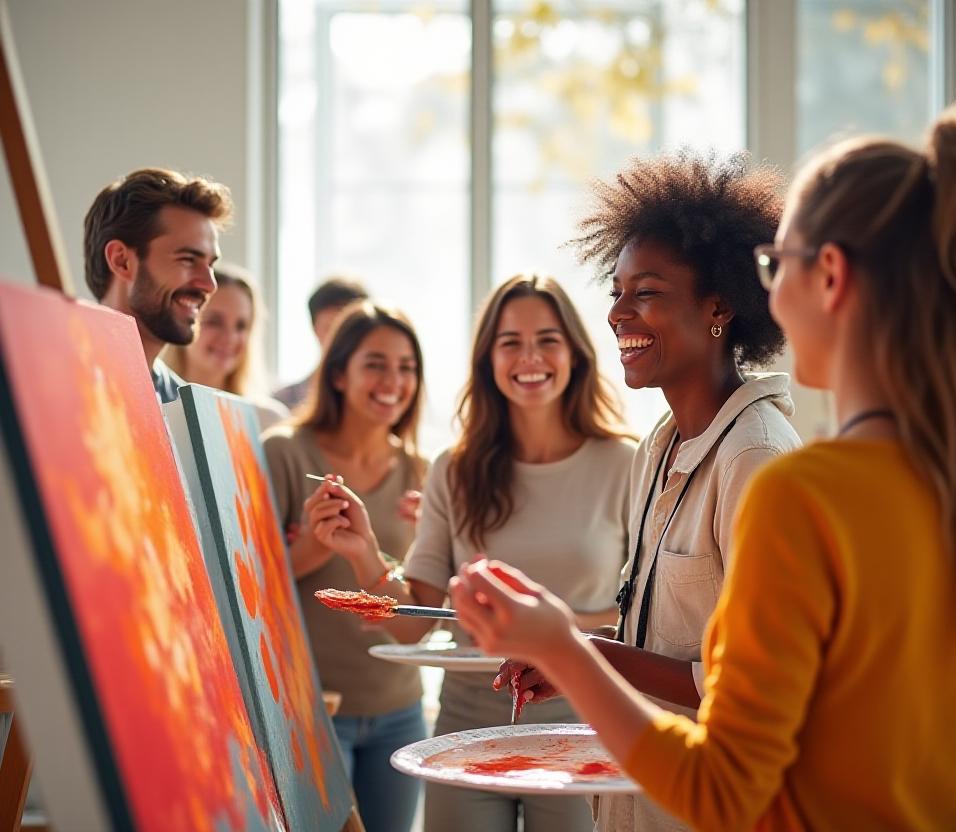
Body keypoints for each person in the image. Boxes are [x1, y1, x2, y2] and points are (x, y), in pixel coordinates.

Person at [450, 107, 956, 831]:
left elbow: (723, 790)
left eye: (774, 265)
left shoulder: (799, 491)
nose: (770, 292)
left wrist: (559, 644)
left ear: (831, 276)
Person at [496, 151, 800, 831]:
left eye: (648, 292)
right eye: (617, 290)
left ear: (720, 304)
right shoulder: (659, 445)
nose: (617, 314)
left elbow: (745, 685)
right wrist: (578, 656)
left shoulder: (757, 460)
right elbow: (668, 635)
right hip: (638, 801)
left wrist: (580, 653)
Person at [305, 274, 637, 832]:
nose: (529, 357)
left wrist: (549, 631)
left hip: (582, 722)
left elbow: (640, 613)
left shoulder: (627, 463)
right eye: (510, 342)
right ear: (488, 359)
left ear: (576, 354)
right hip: (466, 730)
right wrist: (364, 552)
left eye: (547, 339)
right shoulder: (453, 469)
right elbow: (415, 624)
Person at [262, 301, 427, 832]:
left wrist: (408, 544)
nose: (393, 381)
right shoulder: (285, 453)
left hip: (398, 706)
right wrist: (315, 545)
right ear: (337, 373)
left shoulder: (420, 471)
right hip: (308, 708)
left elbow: (418, 603)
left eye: (406, 367)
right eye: (375, 363)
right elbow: (249, 586)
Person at [83, 167, 233, 403]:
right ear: (121, 261)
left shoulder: (185, 408)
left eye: (210, 264)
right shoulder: (52, 380)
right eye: (187, 259)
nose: (209, 284)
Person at [162, 262, 288, 430]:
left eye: (241, 326)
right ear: (185, 323)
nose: (230, 338)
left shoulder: (269, 422)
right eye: (214, 322)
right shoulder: (155, 410)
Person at [273, 276, 369, 410]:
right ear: (315, 328)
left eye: (351, 331)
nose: (342, 340)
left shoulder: (381, 401)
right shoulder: (282, 403)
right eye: (331, 329)